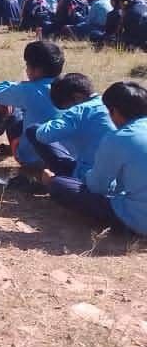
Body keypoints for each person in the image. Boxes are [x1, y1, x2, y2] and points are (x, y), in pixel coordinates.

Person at [39, 82, 147, 236]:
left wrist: (77, 177)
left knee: (59, 184)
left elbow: (97, 187)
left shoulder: (118, 138)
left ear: (114, 111)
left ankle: (53, 182)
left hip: (139, 220)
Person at [0, 40, 65, 174]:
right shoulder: (70, 88)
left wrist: (21, 84)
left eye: (27, 65)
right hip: (65, 157)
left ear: (36, 70)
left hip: (31, 159)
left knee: (6, 104)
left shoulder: (29, 90)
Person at [18, 73, 116, 189]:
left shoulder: (80, 110)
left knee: (33, 130)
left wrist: (59, 120)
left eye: (67, 108)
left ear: (77, 97)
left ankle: (51, 181)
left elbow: (42, 135)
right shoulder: (109, 104)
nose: (68, 112)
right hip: (117, 178)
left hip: (89, 176)